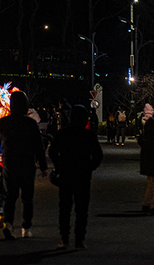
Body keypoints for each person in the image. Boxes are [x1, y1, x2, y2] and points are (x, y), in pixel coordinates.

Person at [0, 91, 48, 240]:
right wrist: (43, 166)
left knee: (9, 197)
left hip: (9, 163)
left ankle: (9, 225)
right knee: (27, 198)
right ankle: (26, 228)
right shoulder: (30, 123)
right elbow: (39, 146)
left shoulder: (4, 122)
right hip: (27, 164)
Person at [48, 105, 104, 250]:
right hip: (83, 176)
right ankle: (79, 240)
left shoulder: (62, 134)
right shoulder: (88, 135)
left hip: (66, 174)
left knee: (65, 209)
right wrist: (90, 167)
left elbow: (53, 151)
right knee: (82, 209)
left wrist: (58, 166)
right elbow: (98, 155)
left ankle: (64, 238)